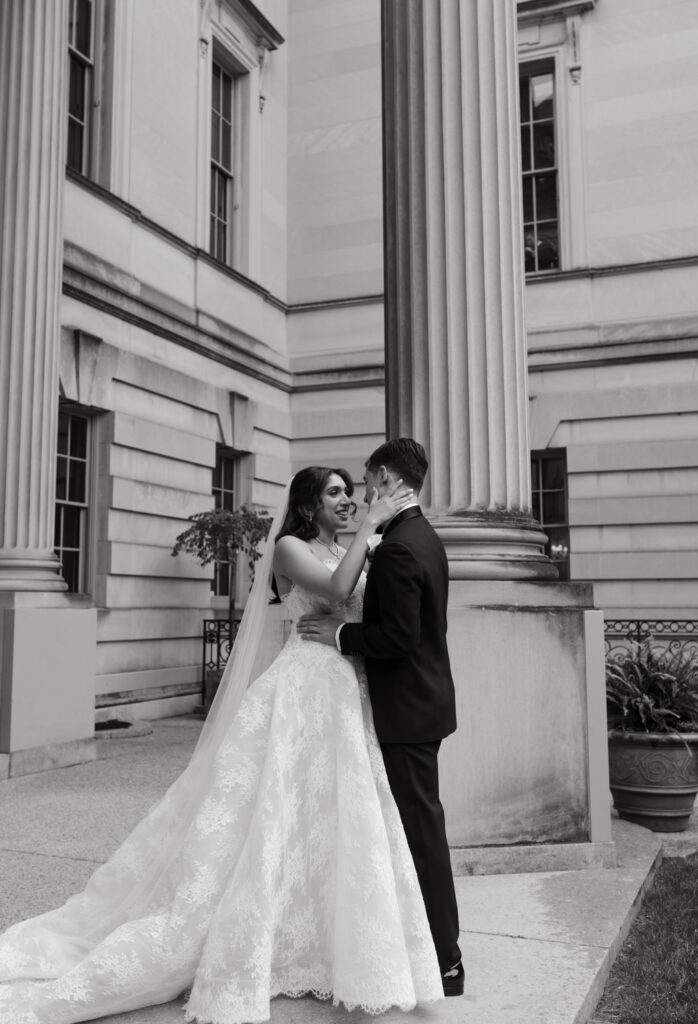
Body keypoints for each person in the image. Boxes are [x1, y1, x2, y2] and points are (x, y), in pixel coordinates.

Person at [0, 465, 445, 1024]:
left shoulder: (356, 547)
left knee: (334, 818)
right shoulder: (288, 547)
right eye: (335, 493)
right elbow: (334, 590)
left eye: (350, 494)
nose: (349, 501)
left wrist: (378, 535)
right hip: (304, 686)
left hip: (347, 692)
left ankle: (328, 945)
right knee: (268, 815)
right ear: (307, 507)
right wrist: (372, 527)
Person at [296, 439, 463, 995]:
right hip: (411, 704)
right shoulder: (420, 537)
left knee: (419, 834)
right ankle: (411, 946)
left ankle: (445, 958)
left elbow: (395, 636)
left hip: (405, 710)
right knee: (398, 830)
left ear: (386, 476)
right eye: (339, 492)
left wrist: (341, 633)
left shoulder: (396, 547)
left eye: (365, 482)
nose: (361, 494)